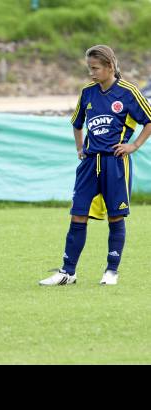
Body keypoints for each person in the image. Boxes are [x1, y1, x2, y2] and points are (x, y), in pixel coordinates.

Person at [39, 45, 151, 286]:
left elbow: (149, 120)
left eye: (95, 68)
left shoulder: (128, 92)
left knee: (115, 217)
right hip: (90, 163)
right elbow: (77, 123)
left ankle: (111, 271)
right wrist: (80, 148)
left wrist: (134, 145)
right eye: (89, 68)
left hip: (116, 163)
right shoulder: (87, 92)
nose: (91, 73)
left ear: (110, 66)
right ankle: (68, 272)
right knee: (78, 215)